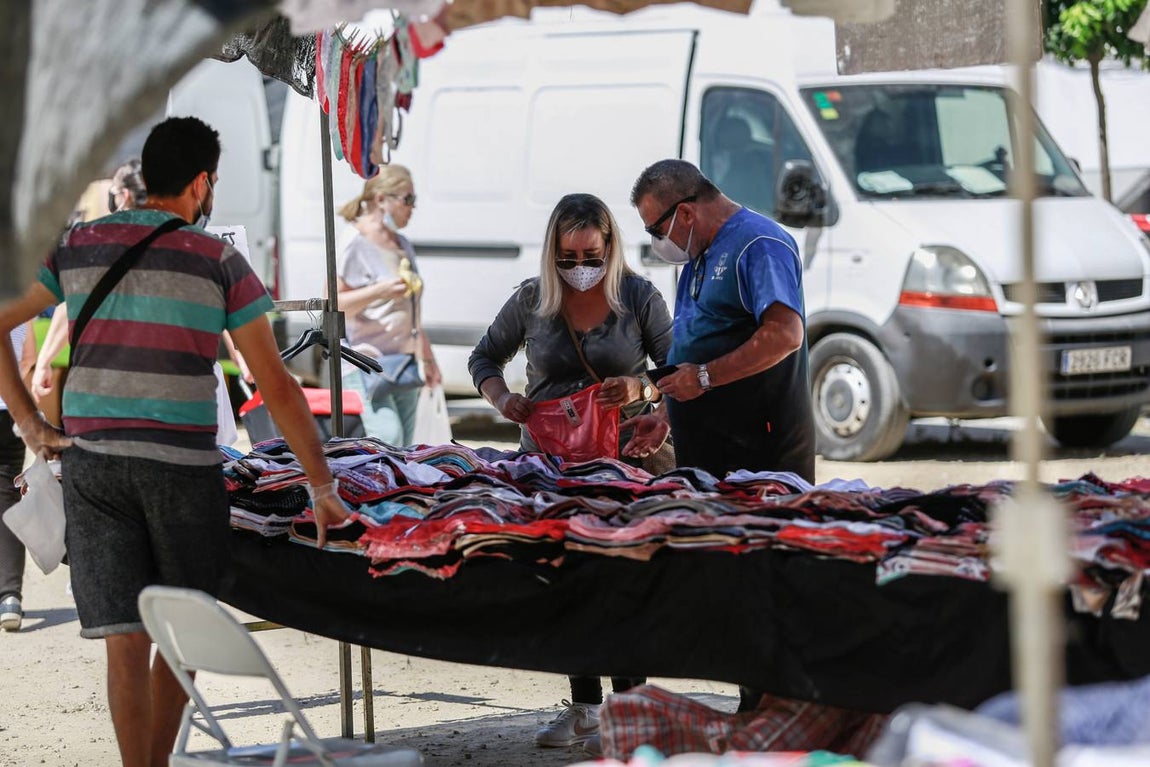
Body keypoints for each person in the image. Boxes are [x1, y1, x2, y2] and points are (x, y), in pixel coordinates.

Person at [0, 116, 349, 767]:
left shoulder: (79, 243)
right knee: (182, 635)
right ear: (200, 183)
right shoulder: (218, 258)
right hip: (182, 470)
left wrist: (29, 423)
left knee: (124, 642)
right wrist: (322, 485)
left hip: (95, 467)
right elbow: (276, 384)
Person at [468, 192, 673, 750]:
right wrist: (502, 398)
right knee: (567, 580)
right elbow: (484, 357)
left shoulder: (639, 297)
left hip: (626, 464)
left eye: (590, 256)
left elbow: (677, 371)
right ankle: (585, 707)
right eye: (567, 257)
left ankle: (631, 710)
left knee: (624, 582)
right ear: (550, 253)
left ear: (610, 247)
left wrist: (641, 388)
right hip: (549, 467)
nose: (579, 267)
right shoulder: (532, 299)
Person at [626, 158, 814, 714]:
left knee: (764, 581)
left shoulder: (760, 244)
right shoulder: (699, 257)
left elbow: (784, 334)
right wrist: (665, 411)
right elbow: (696, 345)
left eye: (657, 228)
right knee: (728, 584)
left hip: (761, 449)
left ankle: (777, 712)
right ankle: (755, 707)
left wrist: (705, 379)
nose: (657, 241)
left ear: (685, 213)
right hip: (712, 451)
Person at [335, 165, 440, 446]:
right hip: (366, 362)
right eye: (408, 199)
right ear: (381, 199)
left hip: (403, 363)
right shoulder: (355, 242)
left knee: (406, 447)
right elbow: (334, 306)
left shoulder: (402, 244)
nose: (412, 208)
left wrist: (428, 358)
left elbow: (412, 312)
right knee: (388, 438)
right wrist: (378, 291)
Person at [0, 322, 38, 632]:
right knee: (7, 495)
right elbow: (29, 357)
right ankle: (9, 597)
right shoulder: (21, 296)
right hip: (8, 404)